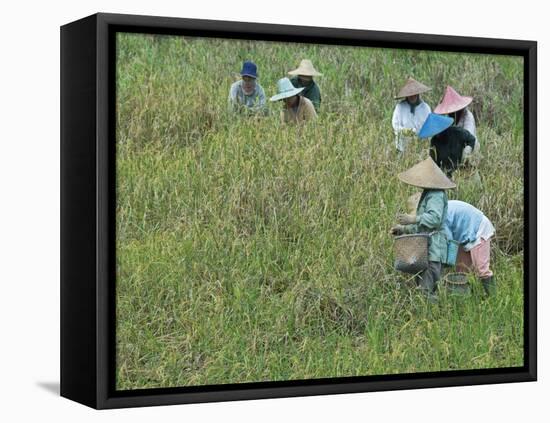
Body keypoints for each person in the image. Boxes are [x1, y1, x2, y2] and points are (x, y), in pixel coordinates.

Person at [390, 157, 456, 300]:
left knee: (426, 290)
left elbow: (435, 219)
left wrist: (413, 218)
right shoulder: (428, 193)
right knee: (423, 287)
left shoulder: (436, 195)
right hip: (426, 249)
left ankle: (433, 318)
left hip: (434, 250)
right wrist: (403, 229)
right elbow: (423, 226)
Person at [444, 200, 496, 295]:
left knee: (482, 269)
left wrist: (448, 261)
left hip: (478, 229)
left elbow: (449, 240)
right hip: (464, 233)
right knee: (462, 270)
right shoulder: (439, 207)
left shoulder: (440, 214)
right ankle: (467, 297)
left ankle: (493, 298)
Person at [434, 86, 479, 163]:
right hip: (454, 147)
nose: (451, 112)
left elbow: (468, 137)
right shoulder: (449, 116)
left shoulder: (468, 117)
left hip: (467, 145)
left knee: (465, 155)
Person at [392, 77, 432, 153]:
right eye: (410, 95)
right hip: (402, 147)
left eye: (414, 94)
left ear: (418, 94)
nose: (412, 97)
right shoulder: (400, 107)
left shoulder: (425, 108)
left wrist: (419, 134)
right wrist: (405, 131)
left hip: (421, 147)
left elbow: (429, 127)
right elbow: (395, 125)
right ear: (406, 95)